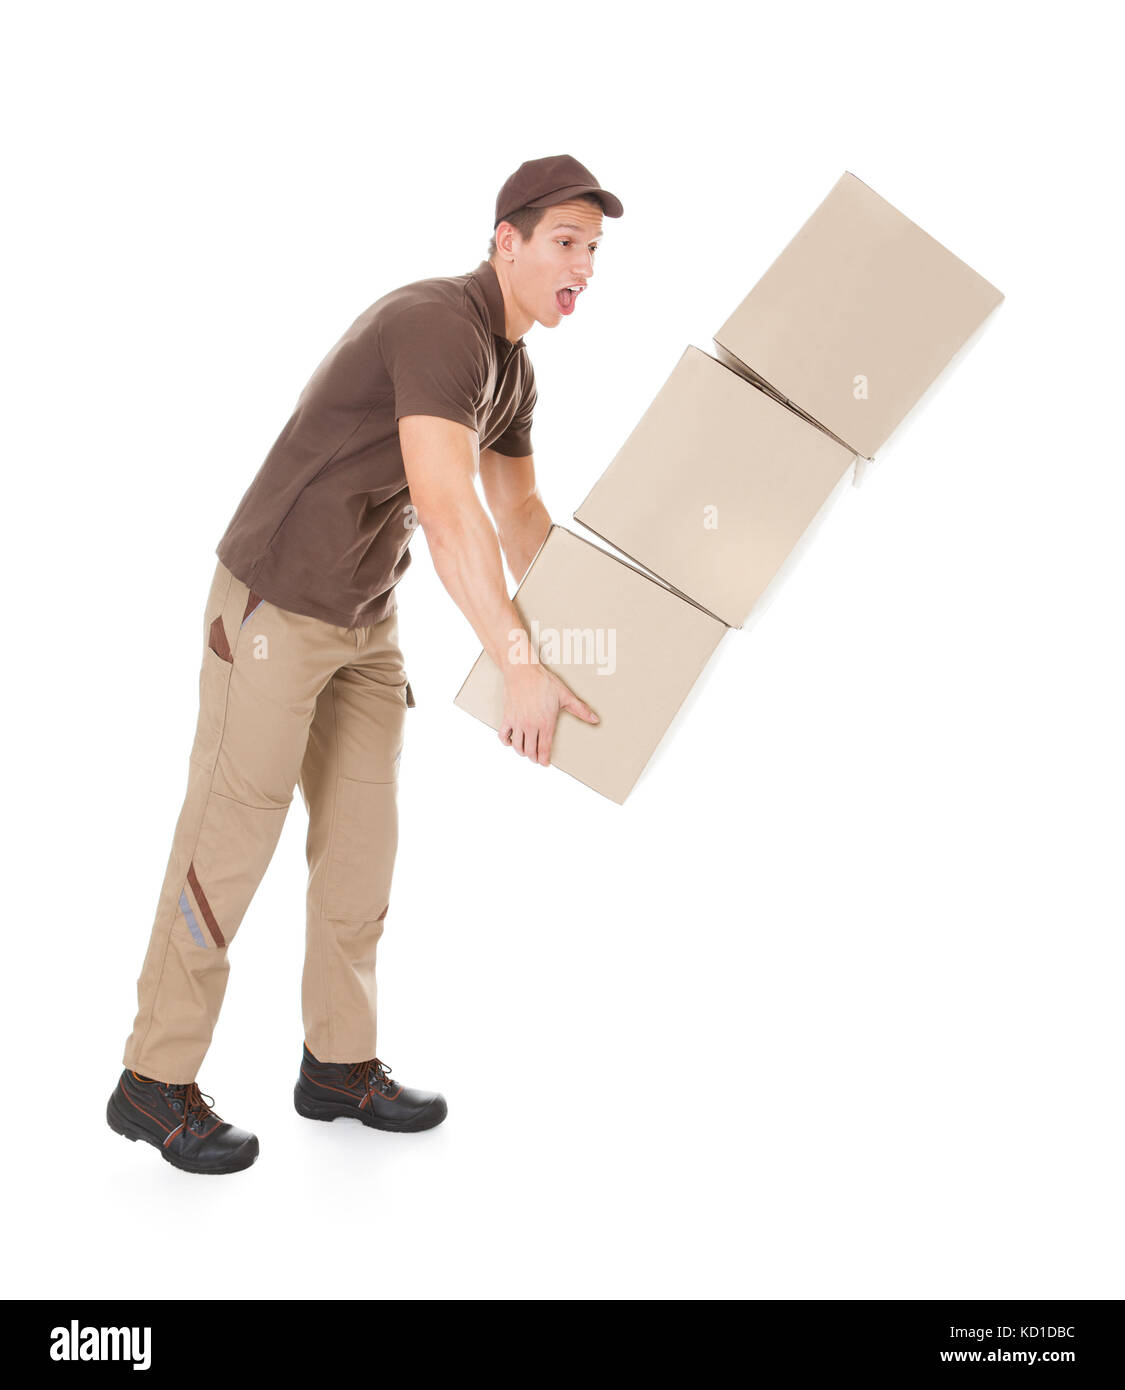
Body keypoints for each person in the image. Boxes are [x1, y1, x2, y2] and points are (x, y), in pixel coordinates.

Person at [106, 154, 624, 1175]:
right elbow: (446, 507)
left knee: (361, 848)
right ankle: (151, 1082)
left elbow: (518, 514)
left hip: (362, 617)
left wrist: (603, 633)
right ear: (504, 241)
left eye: (597, 250)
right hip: (274, 605)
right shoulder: (440, 325)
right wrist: (517, 660)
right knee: (229, 841)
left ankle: (337, 1067)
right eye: (566, 242)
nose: (585, 266)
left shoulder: (512, 369)